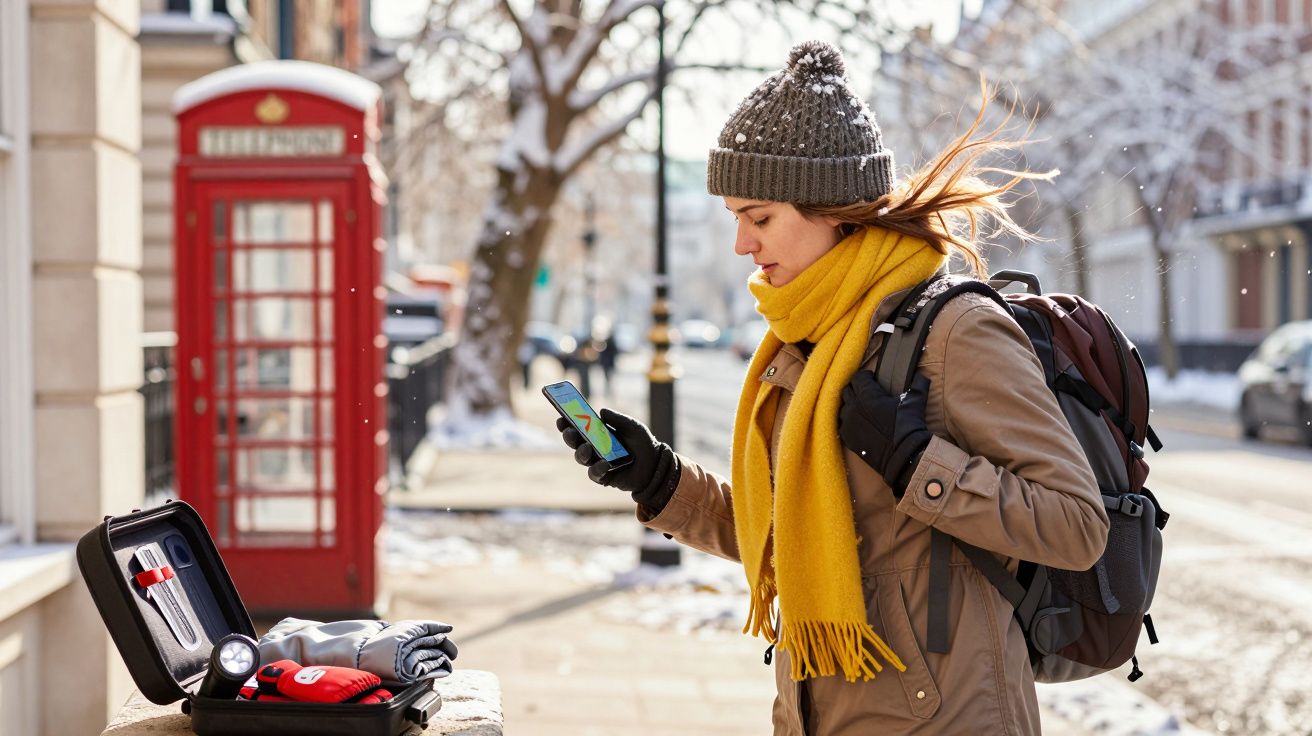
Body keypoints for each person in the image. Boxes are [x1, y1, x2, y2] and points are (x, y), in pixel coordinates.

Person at [554, 40, 1108, 736]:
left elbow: (1075, 525)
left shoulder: (957, 331)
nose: (742, 246)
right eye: (736, 220)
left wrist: (914, 463)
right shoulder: (805, 340)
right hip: (820, 712)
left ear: (836, 211)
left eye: (759, 218)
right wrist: (662, 482)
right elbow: (800, 539)